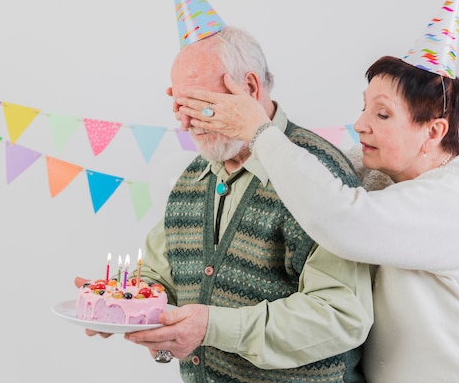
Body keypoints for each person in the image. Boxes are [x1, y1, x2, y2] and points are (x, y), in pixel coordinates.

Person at [175, 53, 459, 382]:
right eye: (364, 108)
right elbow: (314, 172)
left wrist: (258, 128)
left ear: (433, 132)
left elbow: (337, 216)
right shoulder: (380, 173)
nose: (360, 124)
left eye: (382, 114)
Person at [77, 26, 374, 383]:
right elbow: (162, 277)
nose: (186, 123)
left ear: (249, 89)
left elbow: (341, 317)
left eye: (200, 105)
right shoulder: (193, 177)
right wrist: (121, 302)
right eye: (178, 107)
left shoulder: (318, 174)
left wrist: (211, 327)